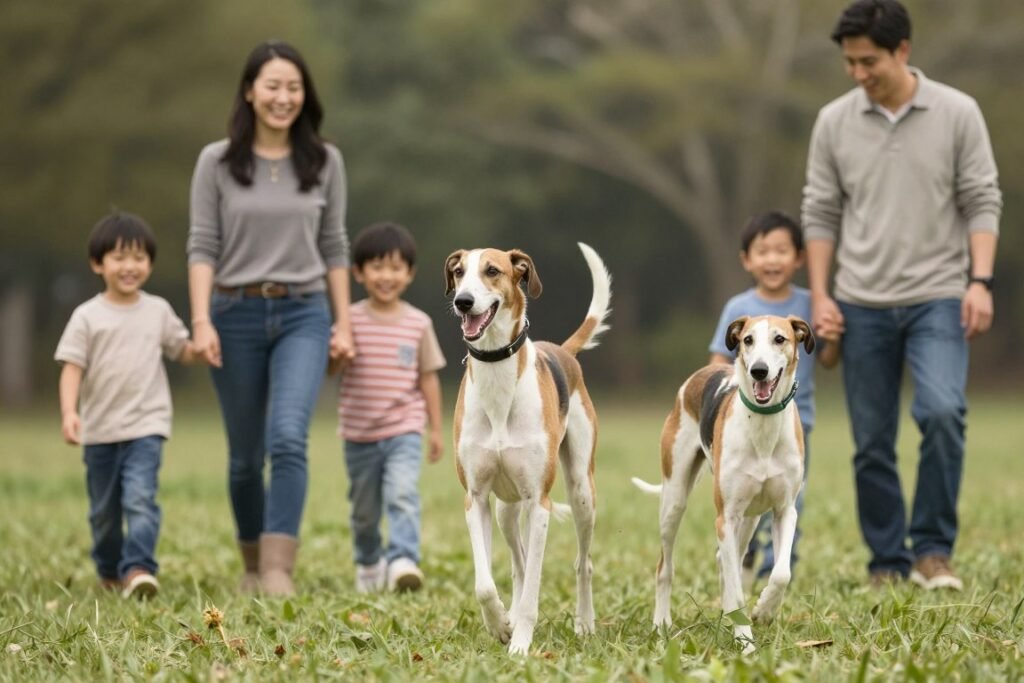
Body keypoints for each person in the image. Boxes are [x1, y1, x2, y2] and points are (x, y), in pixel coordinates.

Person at [802, 0, 1001, 590]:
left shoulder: (958, 112)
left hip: (939, 294)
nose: (859, 73)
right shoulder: (833, 121)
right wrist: (820, 295)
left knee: (943, 412)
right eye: (850, 62)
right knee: (871, 442)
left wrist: (980, 281)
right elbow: (820, 210)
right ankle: (887, 561)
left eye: (869, 61)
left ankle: (933, 551)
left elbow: (982, 199)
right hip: (860, 302)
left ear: (903, 50)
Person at [187, 41, 355, 596]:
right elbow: (202, 245)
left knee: (288, 438)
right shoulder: (216, 162)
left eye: (294, 87)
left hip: (303, 312)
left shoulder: (325, 162)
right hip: (231, 313)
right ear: (249, 92)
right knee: (244, 458)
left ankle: (279, 570)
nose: (284, 97)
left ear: (305, 96)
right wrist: (201, 321)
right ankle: (252, 565)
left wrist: (342, 322)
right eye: (273, 86)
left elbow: (334, 245)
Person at [55, 212, 207, 599]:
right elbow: (72, 369)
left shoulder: (157, 310)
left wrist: (200, 351)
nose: (129, 267)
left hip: (146, 426)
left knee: (140, 498)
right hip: (100, 429)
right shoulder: (87, 316)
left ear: (150, 264)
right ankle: (109, 570)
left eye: (139, 258)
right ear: (97, 263)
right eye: (119, 258)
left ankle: (139, 569)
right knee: (104, 514)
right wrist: (71, 413)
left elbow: (181, 350)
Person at [709, 210, 840, 588]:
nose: (772, 259)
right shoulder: (738, 309)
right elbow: (719, 360)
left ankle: (776, 572)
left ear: (799, 257)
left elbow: (827, 358)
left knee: (789, 504)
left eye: (781, 250)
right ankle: (745, 555)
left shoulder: (811, 305)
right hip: (743, 425)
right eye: (762, 251)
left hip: (798, 423)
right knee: (745, 499)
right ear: (746, 259)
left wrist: (834, 335)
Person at [331, 222, 445, 593]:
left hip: (404, 429)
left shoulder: (418, 323)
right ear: (359, 272)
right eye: (377, 267)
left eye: (396, 268)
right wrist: (338, 355)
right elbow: (331, 370)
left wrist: (436, 429)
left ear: (409, 273)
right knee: (364, 512)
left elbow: (428, 378)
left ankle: (402, 560)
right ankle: (368, 563)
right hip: (359, 434)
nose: (387, 276)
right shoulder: (350, 320)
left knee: (402, 493)